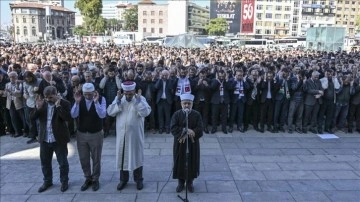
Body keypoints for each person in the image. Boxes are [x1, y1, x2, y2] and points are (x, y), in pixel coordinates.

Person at [107, 81, 151, 191]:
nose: (128, 96)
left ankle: (139, 180)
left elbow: (145, 112)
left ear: (134, 92)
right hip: (122, 136)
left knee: (136, 157)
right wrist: (117, 101)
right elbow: (110, 112)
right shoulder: (119, 99)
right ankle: (123, 180)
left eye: (130, 94)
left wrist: (138, 102)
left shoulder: (141, 99)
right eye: (126, 94)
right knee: (122, 157)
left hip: (135, 137)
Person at [30, 85, 71, 193]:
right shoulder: (42, 104)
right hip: (45, 138)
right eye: (46, 97)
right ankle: (47, 181)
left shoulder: (65, 103)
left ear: (56, 94)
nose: (48, 100)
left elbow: (67, 118)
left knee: (62, 163)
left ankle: (64, 181)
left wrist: (58, 107)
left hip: (59, 139)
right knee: (45, 162)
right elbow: (31, 118)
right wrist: (37, 108)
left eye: (51, 97)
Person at [71, 83, 106, 191]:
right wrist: (76, 103)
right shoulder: (79, 99)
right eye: (85, 94)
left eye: (89, 94)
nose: (87, 97)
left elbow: (102, 115)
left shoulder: (101, 99)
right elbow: (73, 115)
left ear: (93, 92)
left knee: (96, 158)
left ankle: (95, 179)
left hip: (96, 133)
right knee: (83, 158)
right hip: (81, 134)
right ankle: (88, 178)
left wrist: (96, 103)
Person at [170, 94, 203, 193]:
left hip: (192, 144)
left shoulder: (196, 114)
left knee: (192, 161)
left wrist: (193, 132)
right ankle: (180, 182)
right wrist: (185, 130)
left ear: (192, 104)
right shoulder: (177, 114)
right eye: (185, 103)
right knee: (180, 161)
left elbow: (200, 129)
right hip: (180, 143)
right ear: (181, 104)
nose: (187, 105)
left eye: (189, 103)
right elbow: (173, 128)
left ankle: (190, 182)